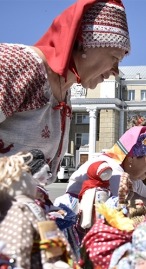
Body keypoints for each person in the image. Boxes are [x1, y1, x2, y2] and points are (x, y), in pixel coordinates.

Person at [0, 0, 131, 181]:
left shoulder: (64, 95)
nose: (115, 71)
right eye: (115, 58)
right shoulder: (14, 64)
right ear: (86, 43)